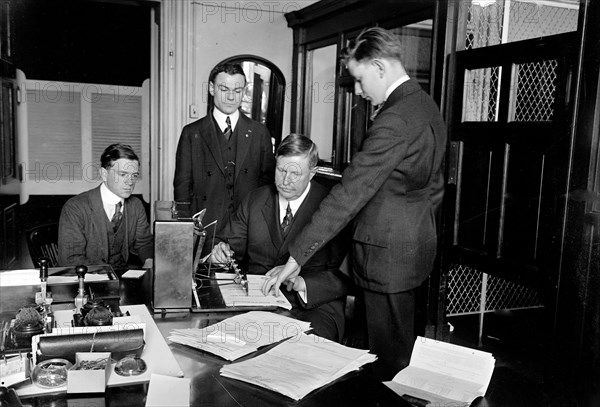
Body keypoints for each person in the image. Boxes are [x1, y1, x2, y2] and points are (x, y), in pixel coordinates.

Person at [262, 27, 447, 378]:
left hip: (385, 257)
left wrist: (296, 256)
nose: (360, 92)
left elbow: (348, 193)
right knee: (396, 354)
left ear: (379, 66)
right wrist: (409, 226)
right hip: (411, 250)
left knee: (384, 366)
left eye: (360, 80)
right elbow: (433, 188)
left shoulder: (394, 119)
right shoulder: (425, 106)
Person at [211, 134, 351, 342]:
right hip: (259, 302)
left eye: (295, 173)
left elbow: (345, 274)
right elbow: (227, 245)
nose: (286, 180)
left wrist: (302, 282)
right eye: (281, 170)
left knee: (303, 353)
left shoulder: (332, 208)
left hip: (313, 307)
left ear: (312, 173)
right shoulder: (255, 200)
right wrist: (218, 252)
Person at [173, 62, 275, 230]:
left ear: (244, 91)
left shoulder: (259, 132)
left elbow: (267, 186)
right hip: (205, 228)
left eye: (237, 91)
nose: (231, 97)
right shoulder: (191, 133)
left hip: (247, 229)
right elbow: (182, 188)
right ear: (212, 89)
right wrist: (187, 228)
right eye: (224, 89)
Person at [58, 143, 153, 271]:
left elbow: (144, 243)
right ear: (104, 174)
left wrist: (149, 261)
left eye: (134, 175)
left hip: (121, 279)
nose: (130, 182)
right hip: (88, 281)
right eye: (123, 174)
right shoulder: (76, 207)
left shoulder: (136, 205)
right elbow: (70, 259)